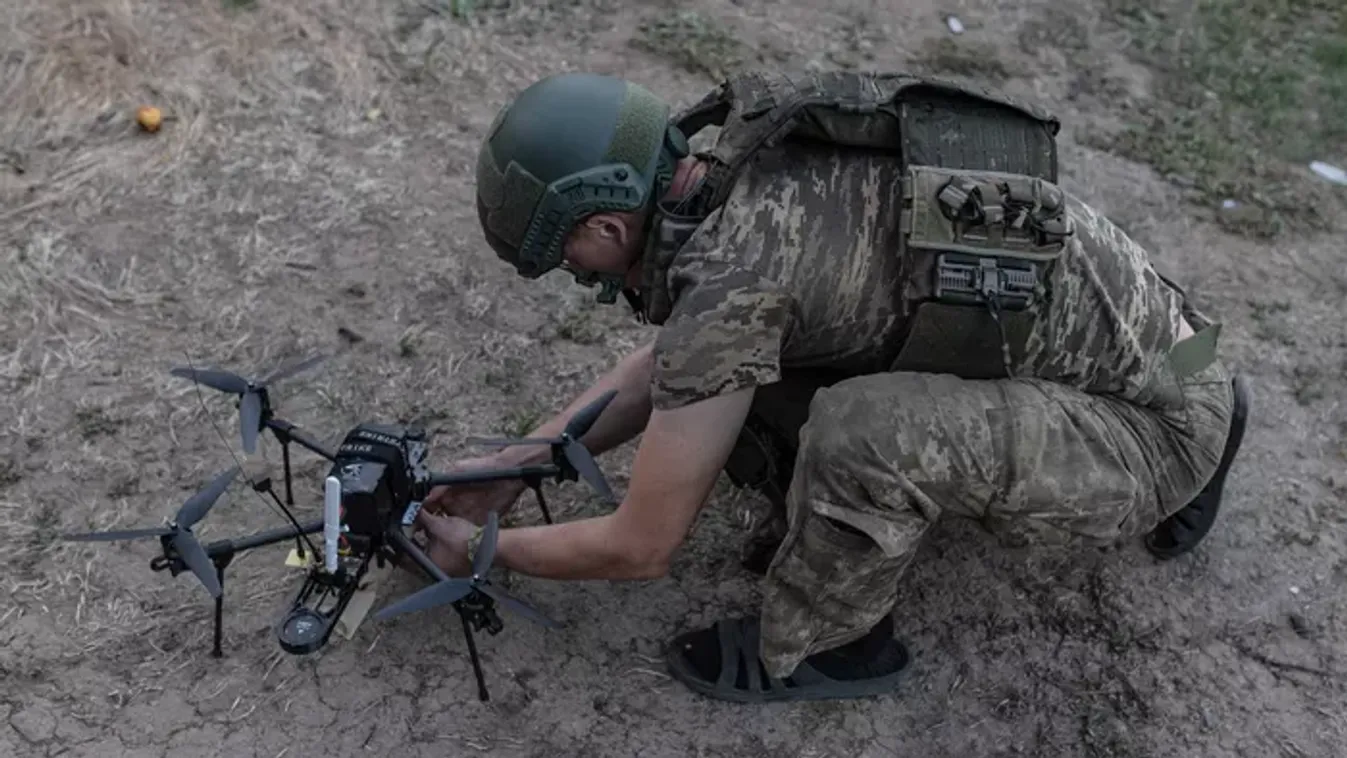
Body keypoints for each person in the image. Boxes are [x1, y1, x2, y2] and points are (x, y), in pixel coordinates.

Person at [411, 70, 1251, 703]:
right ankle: (1215, 406)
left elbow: (641, 545)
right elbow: (673, 365)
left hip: (1152, 424)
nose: (573, 272)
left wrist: (483, 550)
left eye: (565, 254)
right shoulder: (747, 168)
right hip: (1181, 347)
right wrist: (513, 469)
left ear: (604, 224)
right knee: (761, 381)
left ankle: (832, 644)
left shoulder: (732, 285)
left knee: (860, 434)